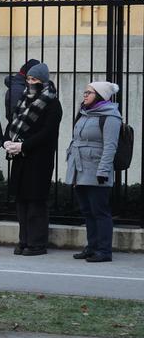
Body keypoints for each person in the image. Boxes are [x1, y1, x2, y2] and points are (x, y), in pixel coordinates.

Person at [3, 63, 62, 256]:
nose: (30, 83)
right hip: (21, 158)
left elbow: (47, 132)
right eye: (28, 79)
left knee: (36, 201)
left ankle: (37, 243)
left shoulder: (52, 102)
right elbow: (13, 123)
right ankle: (24, 240)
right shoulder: (23, 100)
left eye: (34, 80)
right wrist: (7, 142)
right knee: (22, 201)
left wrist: (24, 145)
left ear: (43, 81)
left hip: (39, 160)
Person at [66, 81, 122, 263]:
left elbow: (110, 146)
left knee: (100, 211)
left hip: (97, 170)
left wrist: (103, 171)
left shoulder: (111, 116)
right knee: (87, 211)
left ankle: (104, 250)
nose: (85, 95)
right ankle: (92, 247)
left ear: (100, 95)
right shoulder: (84, 113)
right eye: (85, 91)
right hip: (80, 169)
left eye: (89, 92)